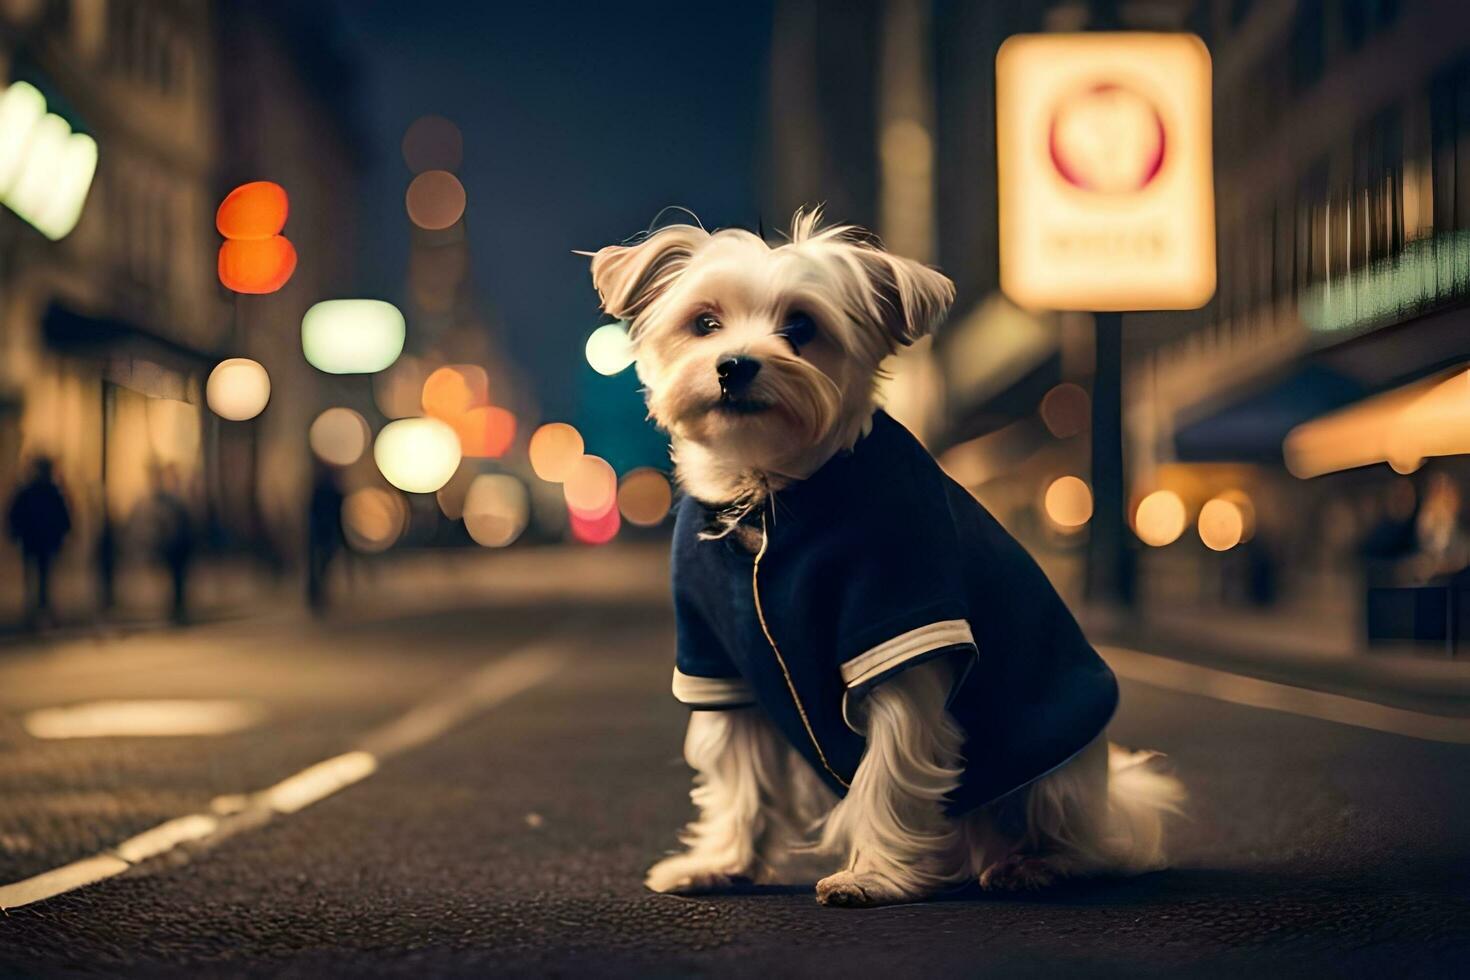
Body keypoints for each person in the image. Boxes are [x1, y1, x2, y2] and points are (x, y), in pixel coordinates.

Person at [6, 456, 71, 626]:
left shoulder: (32, 490)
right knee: (42, 575)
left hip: (34, 540)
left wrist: (14, 533)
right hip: (40, 540)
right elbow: (63, 518)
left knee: (37, 575)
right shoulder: (50, 491)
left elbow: (15, 515)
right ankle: (39, 608)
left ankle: (36, 608)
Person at [306, 462, 345, 612]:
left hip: (322, 533)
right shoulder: (330, 491)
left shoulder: (321, 490)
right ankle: (318, 595)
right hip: (326, 533)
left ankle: (318, 594)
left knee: (322, 565)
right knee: (323, 565)